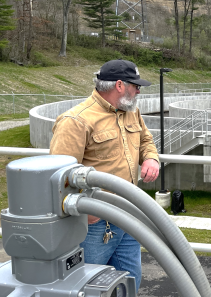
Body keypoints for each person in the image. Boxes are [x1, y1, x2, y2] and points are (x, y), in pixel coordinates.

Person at [49, 59, 160, 291]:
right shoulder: (76, 121)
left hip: (128, 215)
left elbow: (146, 140)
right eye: (135, 85)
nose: (138, 90)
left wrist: (150, 157)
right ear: (119, 85)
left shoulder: (131, 112)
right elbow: (58, 176)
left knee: (129, 283)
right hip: (94, 225)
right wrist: (85, 213)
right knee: (86, 286)